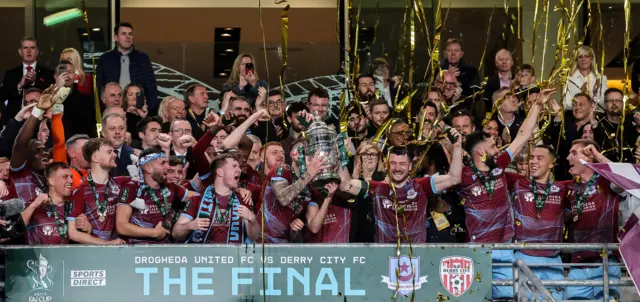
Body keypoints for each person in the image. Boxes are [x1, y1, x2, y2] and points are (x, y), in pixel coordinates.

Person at [457, 88, 553, 299]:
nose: (498, 149)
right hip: (476, 250)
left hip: (504, 248)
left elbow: (523, 136)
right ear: (481, 153)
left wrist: (537, 106)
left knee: (509, 298)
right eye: (493, 146)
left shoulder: (499, 165)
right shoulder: (462, 176)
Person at [337, 128, 463, 243]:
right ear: (386, 166)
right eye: (393, 163)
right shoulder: (377, 189)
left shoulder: (421, 186)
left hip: (417, 258)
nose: (397, 169)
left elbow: (454, 178)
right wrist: (340, 154)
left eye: (402, 164)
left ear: (409, 166)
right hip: (385, 259)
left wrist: (457, 147)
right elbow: (345, 185)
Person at [565, 141, 622, 300]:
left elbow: (626, 179)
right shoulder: (569, 188)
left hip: (606, 262)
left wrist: (598, 156)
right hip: (578, 264)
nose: (568, 157)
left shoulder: (607, 182)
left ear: (588, 157)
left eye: (574, 153)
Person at [510, 145, 568, 300]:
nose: (533, 161)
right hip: (524, 256)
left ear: (551, 163)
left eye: (540, 158)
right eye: (532, 157)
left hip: (553, 259)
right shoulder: (517, 184)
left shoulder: (562, 189)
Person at [173, 153, 259, 243]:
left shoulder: (243, 199)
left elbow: (254, 237)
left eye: (239, 167)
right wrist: (190, 225)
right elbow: (176, 234)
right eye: (234, 166)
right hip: (203, 255)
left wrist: (252, 219)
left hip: (232, 255)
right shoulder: (197, 198)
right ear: (220, 172)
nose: (239, 170)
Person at [115, 148, 191, 244]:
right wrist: (153, 233)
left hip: (166, 250)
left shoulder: (170, 187)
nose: (168, 167)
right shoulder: (132, 188)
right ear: (148, 168)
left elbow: (197, 197)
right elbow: (122, 226)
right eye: (163, 163)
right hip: (138, 253)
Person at [257, 147, 330, 243]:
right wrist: (309, 174)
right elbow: (283, 199)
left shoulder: (310, 189)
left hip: (282, 247)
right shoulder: (282, 169)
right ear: (295, 156)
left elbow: (314, 227)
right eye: (311, 158)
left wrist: (329, 197)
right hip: (259, 242)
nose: (315, 162)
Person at [68, 138, 127, 244]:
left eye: (113, 151)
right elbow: (72, 233)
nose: (114, 155)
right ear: (95, 158)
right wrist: (107, 244)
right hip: (93, 254)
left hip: (119, 251)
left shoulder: (122, 183)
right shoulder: (80, 191)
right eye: (109, 152)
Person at [96, 22, 158, 114]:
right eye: (123, 34)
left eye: (130, 34)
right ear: (116, 37)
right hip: (111, 111)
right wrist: (102, 110)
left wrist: (149, 112)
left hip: (138, 112)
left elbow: (151, 87)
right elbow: (99, 87)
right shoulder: (105, 59)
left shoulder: (142, 58)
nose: (128, 37)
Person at [22, 163, 89, 245]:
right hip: (38, 257)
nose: (71, 181)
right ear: (51, 181)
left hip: (66, 256)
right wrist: (34, 205)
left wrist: (88, 228)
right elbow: (18, 227)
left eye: (71, 177)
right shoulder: (35, 205)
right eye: (65, 177)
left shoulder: (73, 207)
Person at [1, 37, 55, 126]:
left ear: (37, 52)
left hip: (40, 121)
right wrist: (19, 86)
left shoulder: (48, 73)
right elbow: (2, 95)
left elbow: (51, 95)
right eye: (25, 48)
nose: (29, 51)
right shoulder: (11, 74)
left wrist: (35, 82)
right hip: (15, 120)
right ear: (20, 52)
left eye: (32, 48)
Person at [592, 88, 637, 162]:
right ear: (605, 104)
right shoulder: (598, 123)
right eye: (610, 101)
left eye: (618, 101)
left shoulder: (631, 124)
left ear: (623, 103)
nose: (614, 103)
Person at [563, 46, 607, 110]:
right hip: (574, 117)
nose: (583, 59)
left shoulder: (601, 78)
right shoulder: (568, 79)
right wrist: (580, 93)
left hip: (595, 118)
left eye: (586, 56)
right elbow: (566, 104)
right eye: (580, 57)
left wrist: (595, 94)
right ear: (577, 60)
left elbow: (603, 105)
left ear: (591, 59)